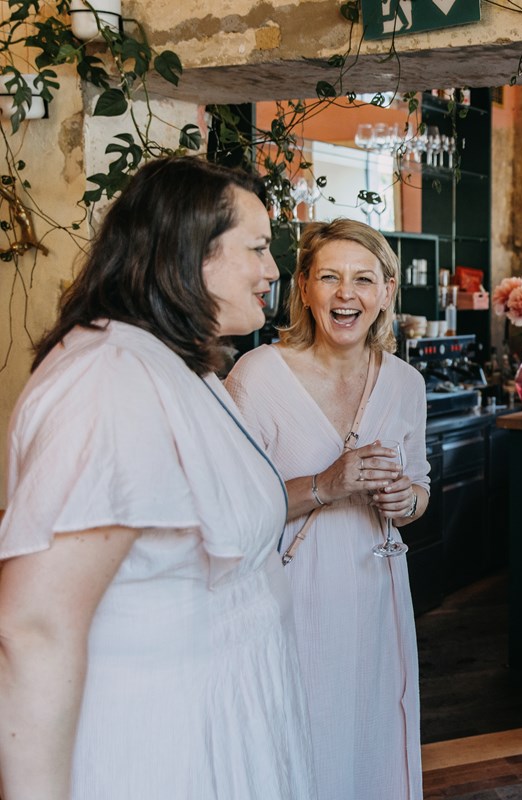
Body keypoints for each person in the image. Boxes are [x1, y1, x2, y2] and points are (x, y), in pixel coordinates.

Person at [0, 156, 314, 798]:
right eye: (257, 248)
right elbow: (34, 627)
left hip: (223, 727)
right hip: (155, 748)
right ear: (190, 252)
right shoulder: (108, 378)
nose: (273, 270)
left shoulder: (183, 367)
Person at [225, 218, 429, 800]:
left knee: (371, 736)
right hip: (290, 595)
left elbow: (419, 490)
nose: (347, 294)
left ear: (386, 291)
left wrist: (406, 499)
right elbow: (232, 510)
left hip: (378, 594)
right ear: (305, 288)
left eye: (363, 279)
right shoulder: (258, 375)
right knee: (299, 740)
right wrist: (324, 484)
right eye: (330, 277)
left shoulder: (405, 383)